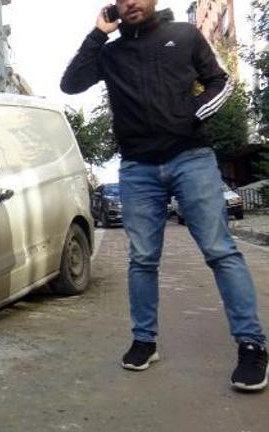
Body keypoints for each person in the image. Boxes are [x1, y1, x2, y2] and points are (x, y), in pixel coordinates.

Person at [60, 0, 267, 391]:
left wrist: (192, 114)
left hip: (192, 158)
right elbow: (70, 84)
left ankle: (252, 344)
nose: (132, 2)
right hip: (137, 168)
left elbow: (221, 82)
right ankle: (144, 340)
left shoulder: (184, 36)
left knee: (220, 250)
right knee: (141, 259)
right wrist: (97, 34)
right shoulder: (111, 53)